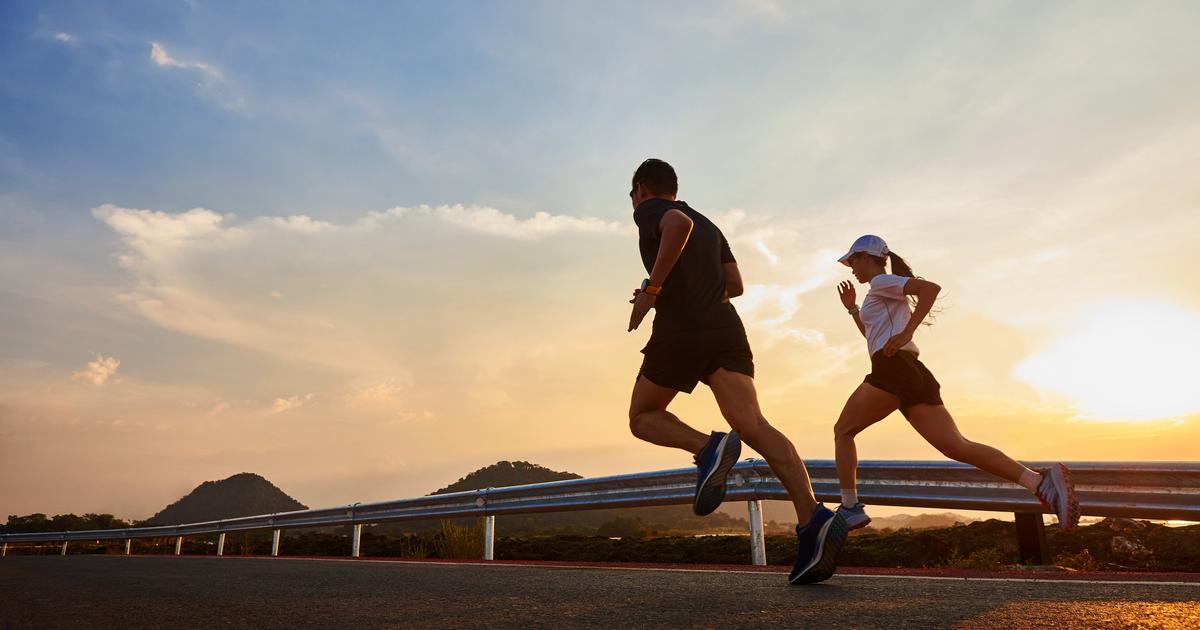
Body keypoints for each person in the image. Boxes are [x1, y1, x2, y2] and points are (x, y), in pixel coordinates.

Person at [626, 158, 847, 584]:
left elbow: (677, 226)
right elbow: (736, 284)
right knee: (754, 424)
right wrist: (680, 285)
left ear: (642, 189)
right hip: (725, 328)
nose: (633, 202)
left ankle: (707, 448)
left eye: (632, 195)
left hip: (681, 329)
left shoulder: (654, 210)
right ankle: (813, 517)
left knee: (643, 417)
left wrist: (653, 289)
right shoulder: (710, 226)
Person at [832, 234, 1080, 532]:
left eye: (853, 261)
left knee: (843, 431)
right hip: (912, 372)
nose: (851, 268)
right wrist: (853, 309)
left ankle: (850, 507)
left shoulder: (882, 283)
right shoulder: (882, 291)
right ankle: (1038, 481)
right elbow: (873, 336)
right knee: (957, 446)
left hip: (893, 369)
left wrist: (908, 332)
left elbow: (930, 289)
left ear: (865, 257)